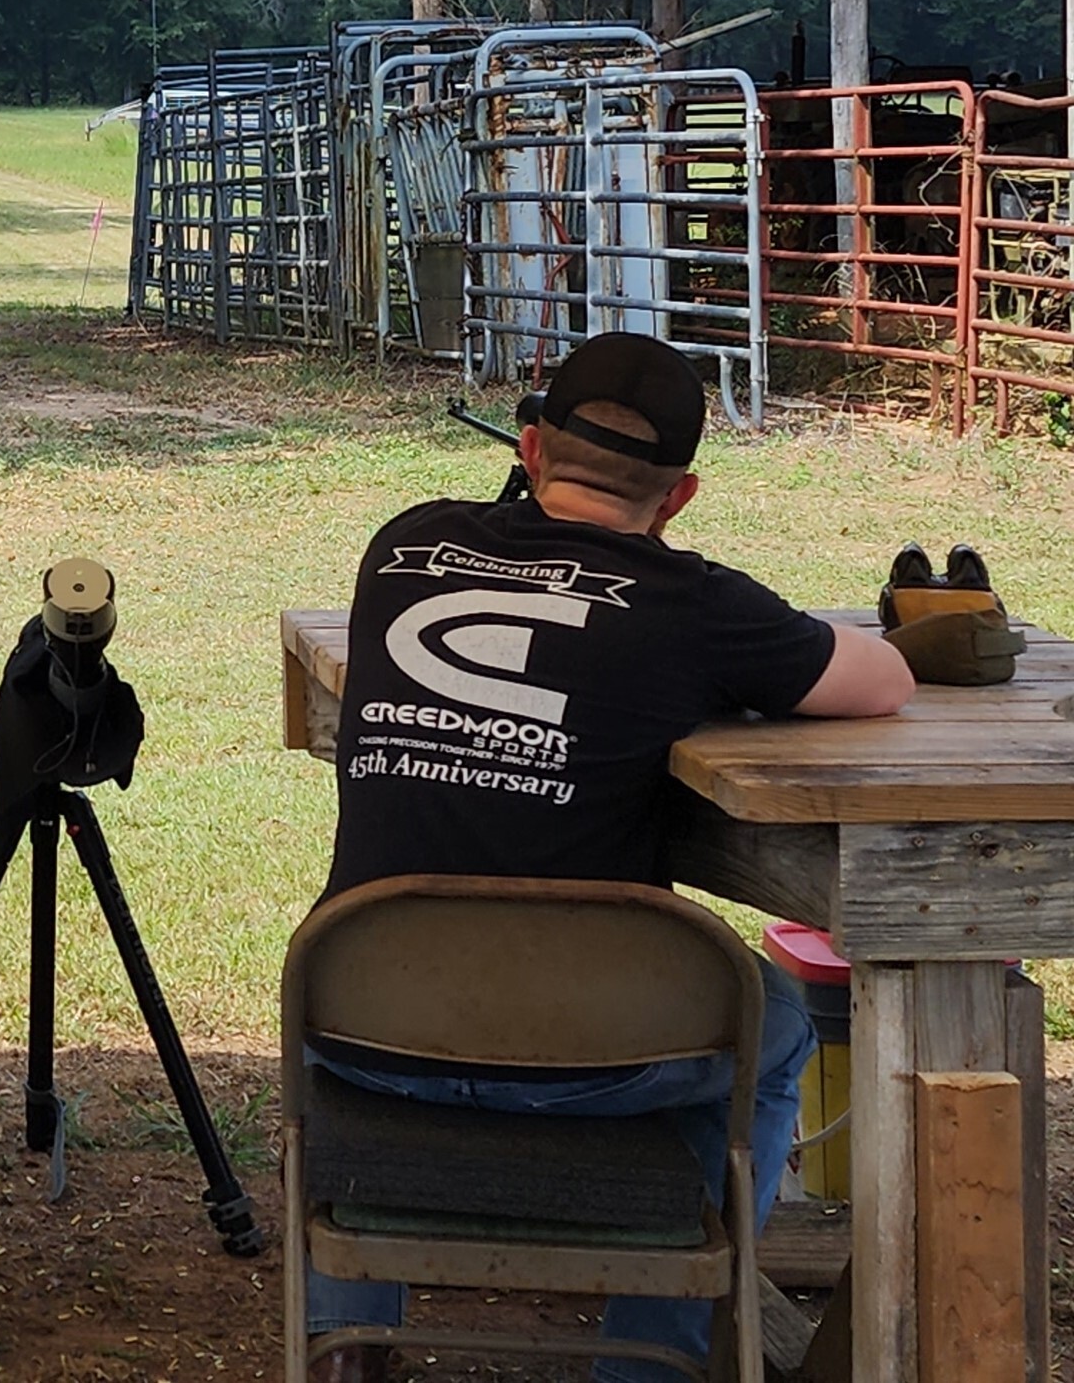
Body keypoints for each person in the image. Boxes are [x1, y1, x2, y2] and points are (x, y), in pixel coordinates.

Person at [304, 333, 914, 1383]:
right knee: (764, 1042)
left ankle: (349, 1347)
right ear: (679, 498)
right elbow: (882, 681)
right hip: (591, 1062)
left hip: (360, 1022)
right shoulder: (697, 606)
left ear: (531, 450)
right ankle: (658, 1357)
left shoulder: (401, 543)